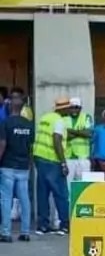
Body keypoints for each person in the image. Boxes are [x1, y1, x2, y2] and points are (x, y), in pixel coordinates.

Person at [33, 97, 70, 236]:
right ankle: (64, 225)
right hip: (52, 160)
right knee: (61, 194)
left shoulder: (45, 117)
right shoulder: (59, 121)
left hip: (39, 158)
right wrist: (63, 162)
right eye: (68, 107)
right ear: (64, 109)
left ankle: (42, 226)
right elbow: (56, 140)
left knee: (43, 194)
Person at [0, 90, 34, 243]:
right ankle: (25, 232)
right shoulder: (29, 125)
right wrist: (29, 164)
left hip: (8, 165)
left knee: (6, 199)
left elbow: (2, 144)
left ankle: (6, 233)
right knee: (24, 199)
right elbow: (31, 147)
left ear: (10, 105)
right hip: (23, 166)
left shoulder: (5, 123)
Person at [65, 97, 94, 185]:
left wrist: (71, 131)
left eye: (76, 107)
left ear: (80, 108)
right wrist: (81, 132)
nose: (74, 110)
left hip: (83, 158)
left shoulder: (86, 117)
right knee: (68, 186)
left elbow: (89, 133)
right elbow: (64, 136)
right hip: (68, 158)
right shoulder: (64, 118)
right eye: (72, 107)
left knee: (83, 186)